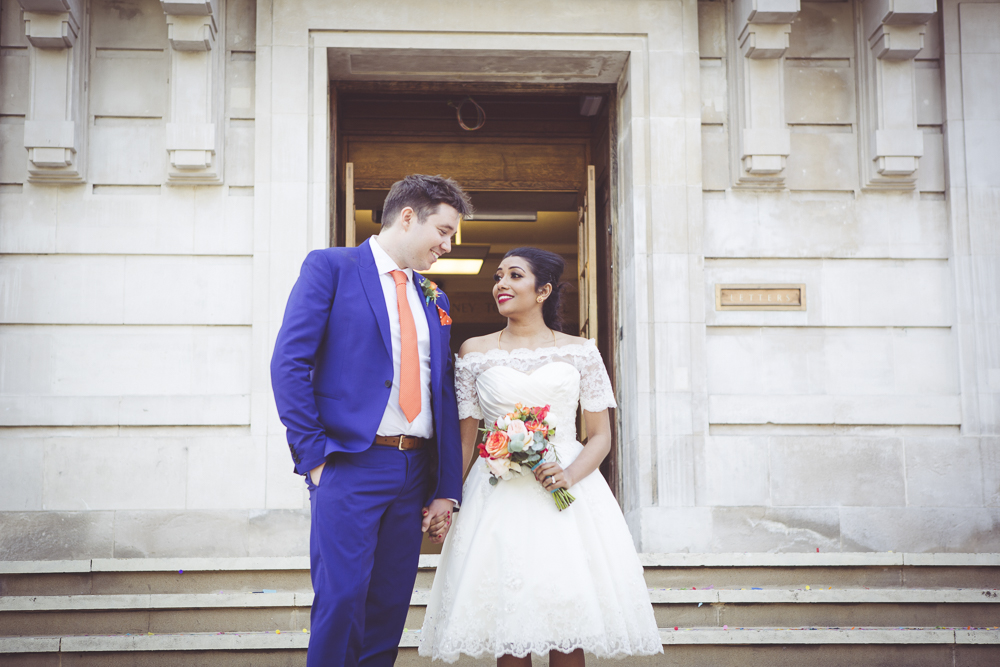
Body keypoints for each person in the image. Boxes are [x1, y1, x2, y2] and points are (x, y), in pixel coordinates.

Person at [419, 247, 662, 665]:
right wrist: (448, 497)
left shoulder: (581, 351)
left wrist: (568, 474)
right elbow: (465, 441)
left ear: (543, 290)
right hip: (498, 493)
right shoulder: (473, 352)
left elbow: (601, 436)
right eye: (498, 276)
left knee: (568, 625)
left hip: (568, 497)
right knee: (508, 625)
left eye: (515, 276)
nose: (501, 285)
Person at [270, 174, 470, 667]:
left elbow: (440, 392)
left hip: (414, 470)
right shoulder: (331, 268)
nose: (446, 245)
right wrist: (315, 459)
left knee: (388, 607)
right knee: (341, 602)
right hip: (349, 463)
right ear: (407, 216)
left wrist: (446, 485)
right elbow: (288, 364)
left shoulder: (435, 298)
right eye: (443, 231)